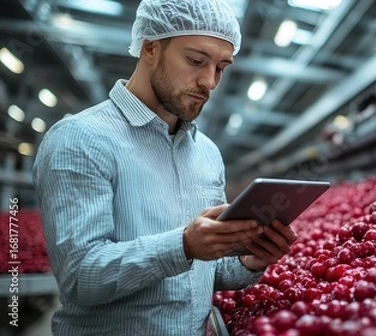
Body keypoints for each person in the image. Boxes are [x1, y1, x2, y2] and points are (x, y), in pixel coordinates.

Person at [32, 0, 297, 334]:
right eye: (196, 60)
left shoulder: (207, 154)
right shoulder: (82, 140)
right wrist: (183, 245)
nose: (210, 82)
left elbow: (203, 275)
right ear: (150, 47)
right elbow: (80, 277)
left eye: (221, 67)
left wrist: (251, 259)